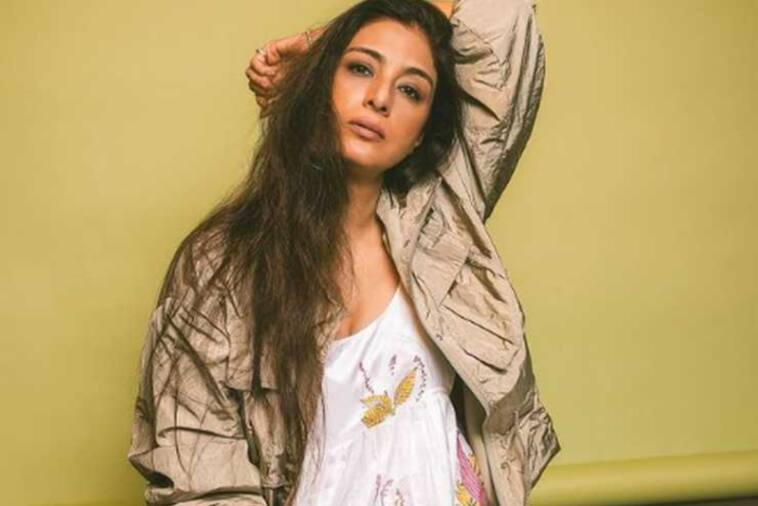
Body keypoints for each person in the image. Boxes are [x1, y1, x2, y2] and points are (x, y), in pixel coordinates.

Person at [127, 0, 560, 505]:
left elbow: (505, 14)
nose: (380, 98)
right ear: (318, 87)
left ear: (422, 134)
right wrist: (330, 49)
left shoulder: (442, 222)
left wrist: (324, 39)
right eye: (360, 69)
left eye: (410, 90)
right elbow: (200, 474)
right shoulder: (220, 267)